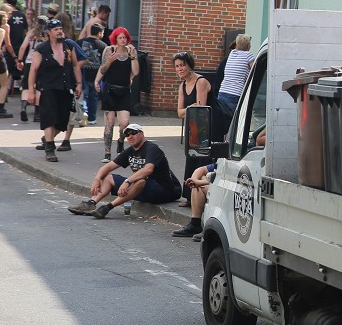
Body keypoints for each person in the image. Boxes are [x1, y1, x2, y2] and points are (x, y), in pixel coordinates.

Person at [68, 123, 182, 218]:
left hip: (164, 191)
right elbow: (107, 167)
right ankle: (90, 203)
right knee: (107, 177)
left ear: (141, 134)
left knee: (140, 180)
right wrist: (97, 179)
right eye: (127, 134)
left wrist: (127, 181)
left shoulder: (152, 148)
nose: (130, 136)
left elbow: (148, 170)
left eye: (134, 133)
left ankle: (107, 208)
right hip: (142, 189)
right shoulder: (130, 151)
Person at [26, 18, 82, 162]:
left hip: (65, 87)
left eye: (60, 29)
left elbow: (75, 65)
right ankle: (50, 149)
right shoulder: (41, 49)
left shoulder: (69, 45)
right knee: (49, 117)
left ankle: (47, 138)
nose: (59, 31)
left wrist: (79, 84)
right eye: (56, 29)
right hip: (48, 87)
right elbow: (33, 70)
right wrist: (31, 91)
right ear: (49, 32)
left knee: (62, 121)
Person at [174, 50, 213, 205]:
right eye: (177, 66)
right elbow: (179, 112)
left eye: (182, 65)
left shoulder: (201, 81)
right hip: (194, 124)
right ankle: (189, 196)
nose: (179, 69)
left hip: (210, 124)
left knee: (203, 158)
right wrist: (190, 108)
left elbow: (201, 108)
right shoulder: (182, 85)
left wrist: (189, 109)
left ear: (190, 66)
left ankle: (203, 195)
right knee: (191, 157)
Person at [95, 27, 139, 162]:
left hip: (124, 90)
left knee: (125, 123)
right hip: (110, 90)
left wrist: (133, 56)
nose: (123, 40)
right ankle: (107, 153)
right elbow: (102, 69)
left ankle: (121, 139)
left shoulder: (131, 51)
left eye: (125, 37)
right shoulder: (109, 50)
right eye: (120, 38)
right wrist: (97, 81)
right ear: (115, 39)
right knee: (110, 122)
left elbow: (135, 72)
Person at [215, 33, 254, 134]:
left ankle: (222, 141)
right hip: (235, 94)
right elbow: (255, 70)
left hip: (222, 93)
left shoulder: (232, 54)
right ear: (248, 46)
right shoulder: (248, 55)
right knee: (236, 122)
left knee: (223, 121)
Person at [79, 22, 107, 125]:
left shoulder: (79, 42)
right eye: (103, 32)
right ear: (99, 33)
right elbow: (105, 62)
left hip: (83, 73)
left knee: (84, 95)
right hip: (96, 75)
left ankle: (84, 112)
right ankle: (92, 118)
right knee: (93, 97)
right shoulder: (103, 45)